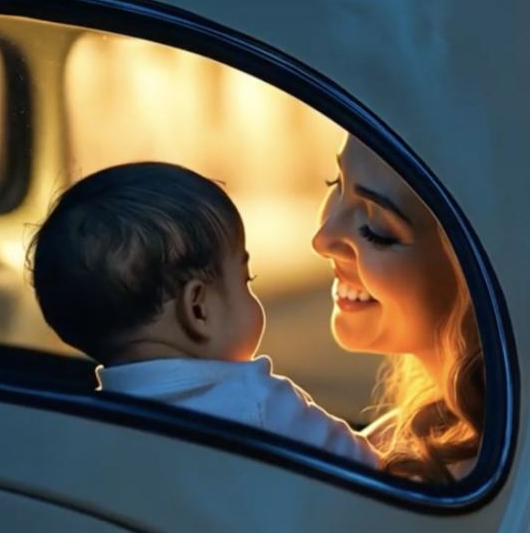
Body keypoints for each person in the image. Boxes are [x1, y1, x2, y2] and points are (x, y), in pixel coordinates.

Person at [27, 162, 378, 468]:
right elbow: (370, 473)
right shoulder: (259, 406)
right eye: (245, 280)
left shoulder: (85, 430)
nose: (249, 290)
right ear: (198, 308)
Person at [312, 136, 484, 483]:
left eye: (377, 230)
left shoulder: (469, 478)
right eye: (337, 184)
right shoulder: (403, 434)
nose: (322, 238)